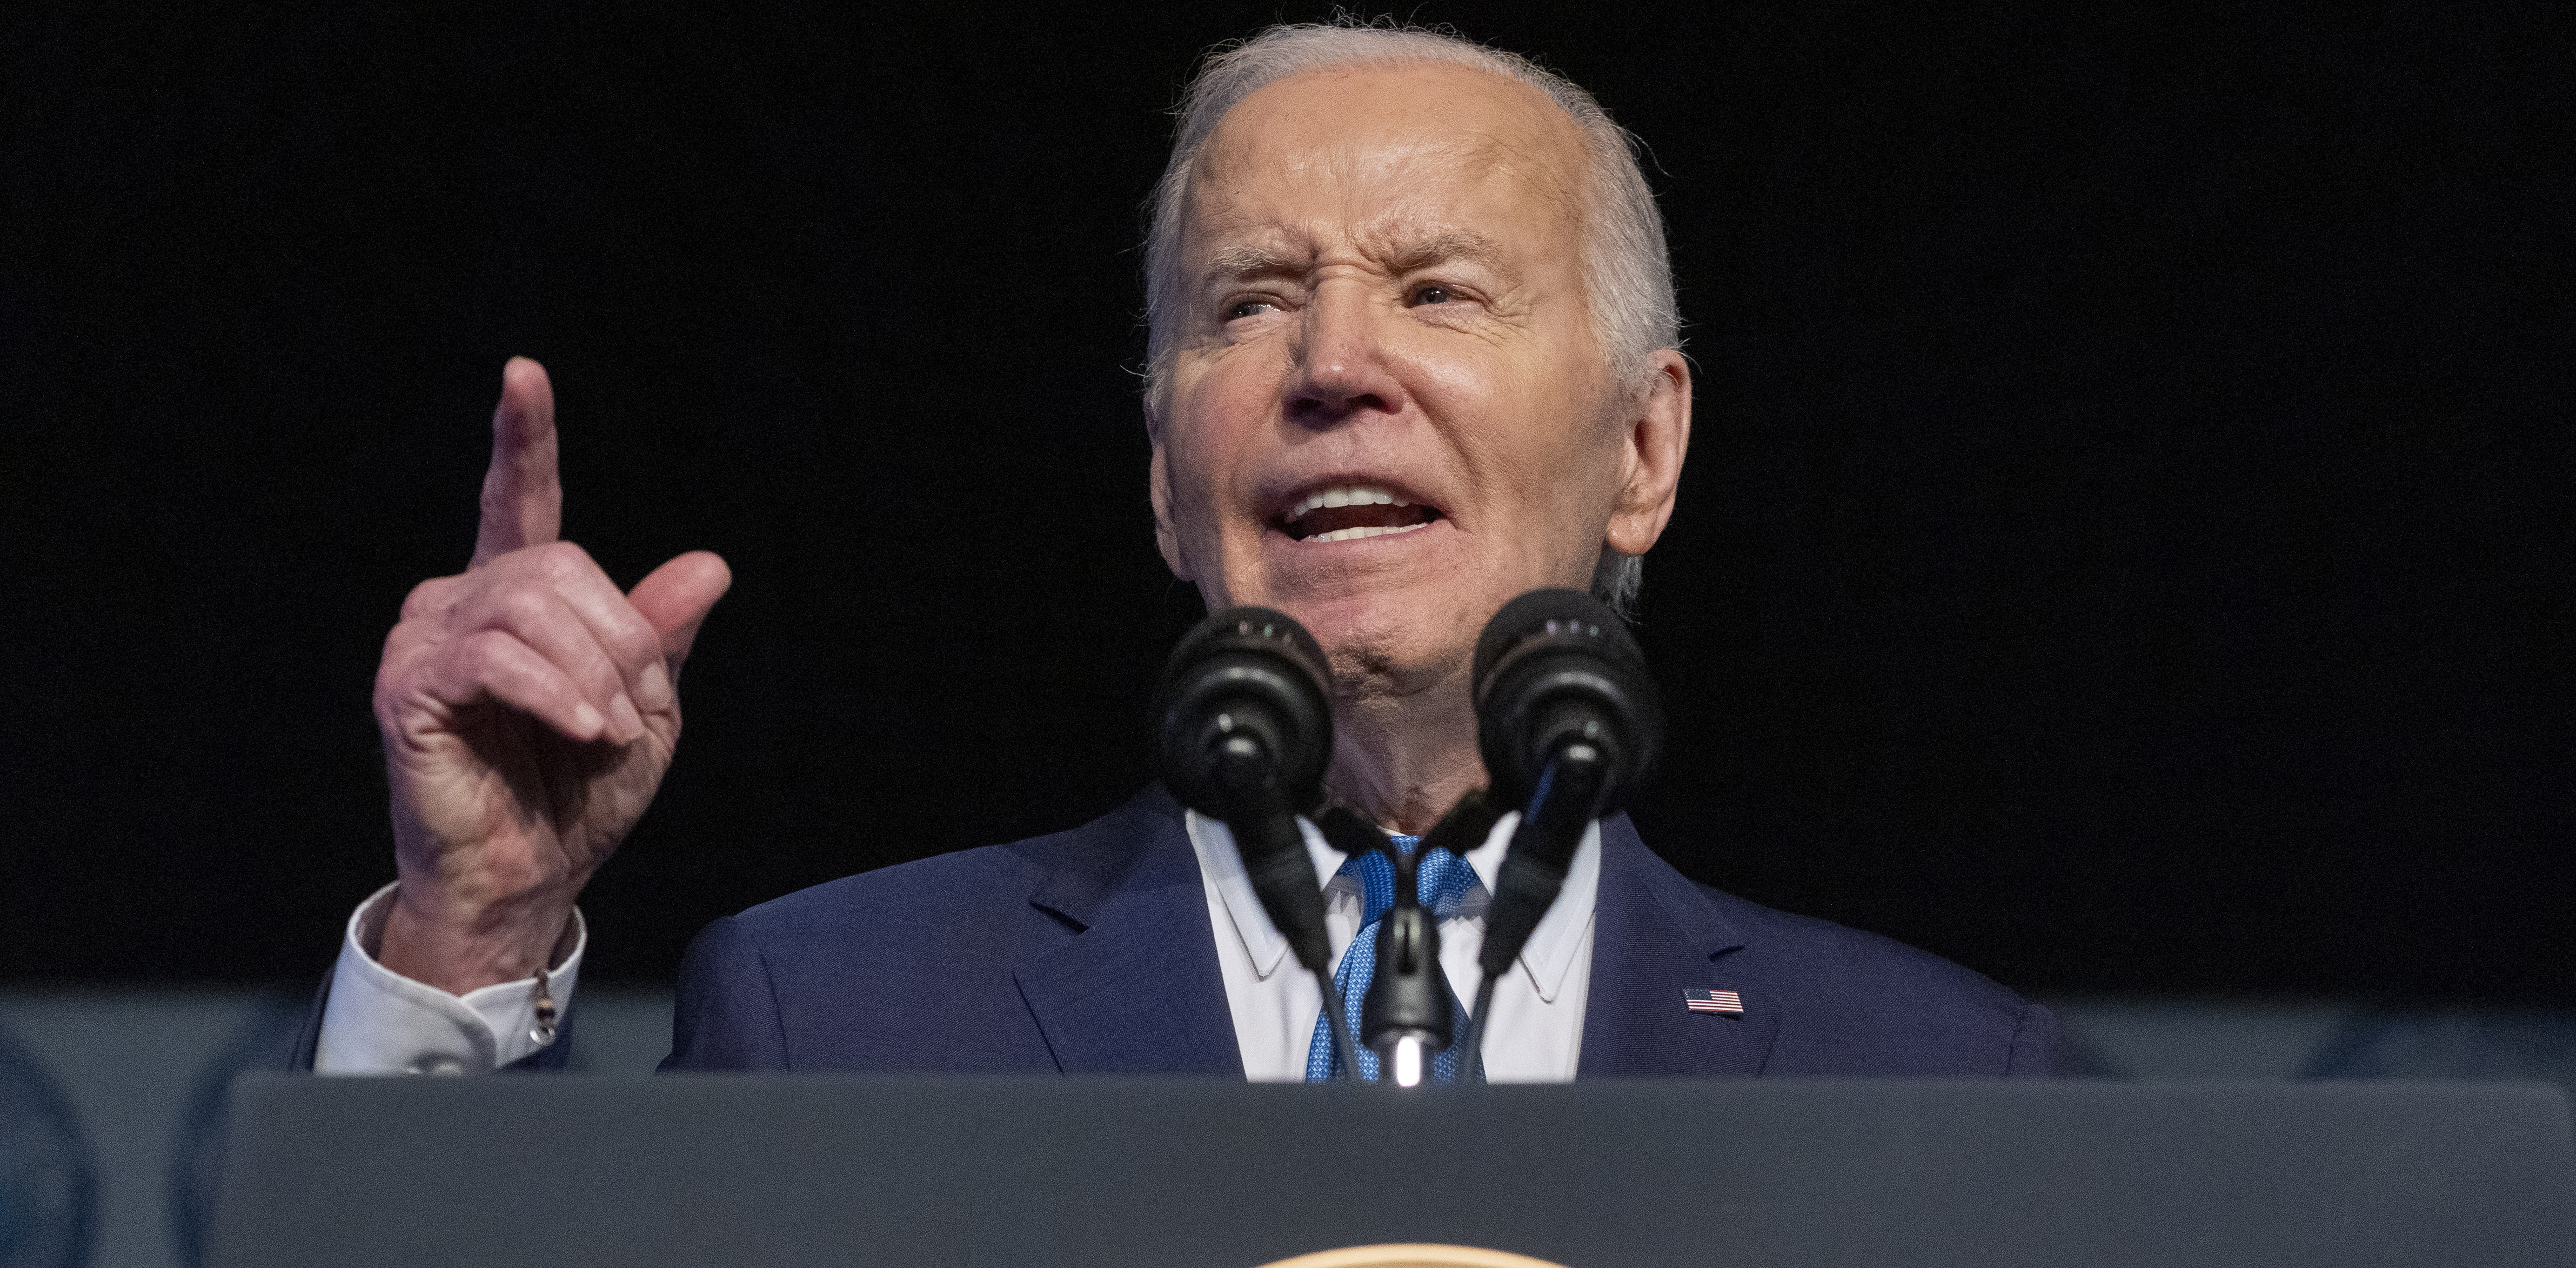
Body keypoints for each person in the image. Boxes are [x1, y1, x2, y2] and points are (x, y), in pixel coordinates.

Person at [307, 21, 2061, 1081]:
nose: (1333, 366)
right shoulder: (843, 1021)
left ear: (1645, 445)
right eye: (1251, 303)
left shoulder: (1919, 1074)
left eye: (1437, 290)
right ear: (1164, 479)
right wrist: (478, 930)